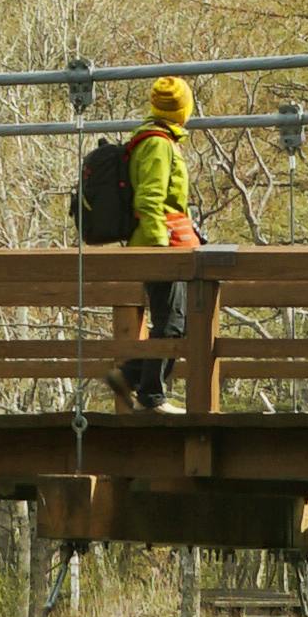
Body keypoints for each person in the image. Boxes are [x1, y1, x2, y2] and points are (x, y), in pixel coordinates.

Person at [71, 70, 199, 411]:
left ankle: (129, 376)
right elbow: (150, 199)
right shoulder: (158, 144)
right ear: (183, 110)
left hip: (163, 242)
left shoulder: (155, 139)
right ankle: (151, 396)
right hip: (162, 244)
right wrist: (159, 251)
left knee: (175, 322)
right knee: (172, 324)